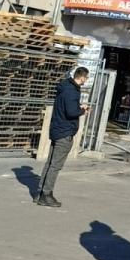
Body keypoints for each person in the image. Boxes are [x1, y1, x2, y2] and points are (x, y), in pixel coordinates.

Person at [36, 66, 89, 208]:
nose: (86, 80)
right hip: (64, 132)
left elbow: (66, 107)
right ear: (82, 77)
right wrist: (82, 110)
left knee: (50, 163)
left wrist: (78, 107)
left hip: (57, 129)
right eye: (86, 78)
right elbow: (71, 112)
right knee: (55, 166)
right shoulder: (72, 91)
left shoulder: (64, 87)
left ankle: (40, 193)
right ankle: (46, 194)